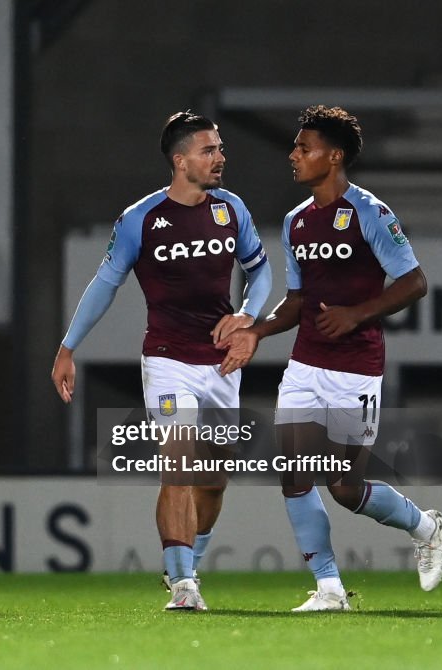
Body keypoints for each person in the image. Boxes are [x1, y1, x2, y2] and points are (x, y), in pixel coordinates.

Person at [218, 105, 442, 611]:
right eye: (296, 147)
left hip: (355, 369)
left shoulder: (370, 212)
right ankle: (329, 588)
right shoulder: (296, 221)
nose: (293, 155)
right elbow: (297, 301)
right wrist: (257, 331)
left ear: (335, 155)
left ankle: (425, 526)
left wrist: (357, 314)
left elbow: (415, 281)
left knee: (344, 486)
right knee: (295, 474)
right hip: (304, 366)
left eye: (305, 147)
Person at [52, 112, 271, 611]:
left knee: (214, 480)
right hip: (168, 359)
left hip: (220, 366)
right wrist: (68, 347)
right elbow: (104, 285)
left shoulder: (231, 209)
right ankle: (183, 583)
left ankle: (189, 561)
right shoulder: (141, 219)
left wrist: (247, 316)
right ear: (180, 161)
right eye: (208, 150)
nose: (220, 158)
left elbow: (261, 271)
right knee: (178, 465)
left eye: (220, 149)